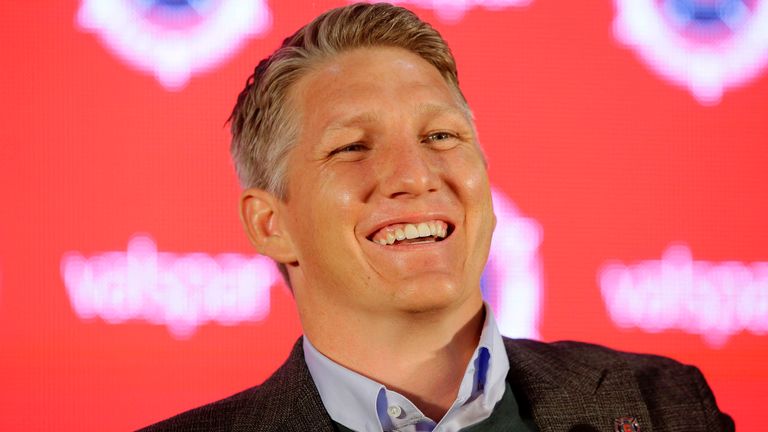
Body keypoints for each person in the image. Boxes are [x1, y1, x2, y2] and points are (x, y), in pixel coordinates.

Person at [141, 3, 734, 431]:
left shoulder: (664, 407)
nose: (416, 175)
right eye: (352, 146)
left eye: (441, 135)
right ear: (271, 224)